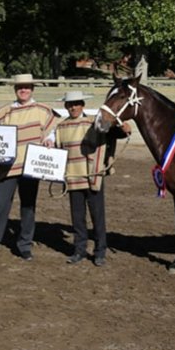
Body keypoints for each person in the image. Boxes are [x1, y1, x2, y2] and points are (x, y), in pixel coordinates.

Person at [0, 73, 59, 263]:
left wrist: (51, 139)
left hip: (32, 166)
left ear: (32, 89)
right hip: (9, 167)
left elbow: (56, 128)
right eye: (20, 87)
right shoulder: (5, 111)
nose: (23, 90)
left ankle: (25, 244)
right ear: (15, 90)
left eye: (27, 87)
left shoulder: (43, 110)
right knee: (0, 205)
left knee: (28, 206)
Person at [54, 91, 130, 266]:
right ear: (66, 106)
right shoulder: (61, 127)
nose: (73, 107)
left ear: (82, 105)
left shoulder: (94, 123)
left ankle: (99, 251)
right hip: (72, 176)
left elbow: (114, 133)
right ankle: (79, 250)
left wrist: (124, 130)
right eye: (70, 104)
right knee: (77, 217)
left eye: (76, 104)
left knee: (97, 216)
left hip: (93, 176)